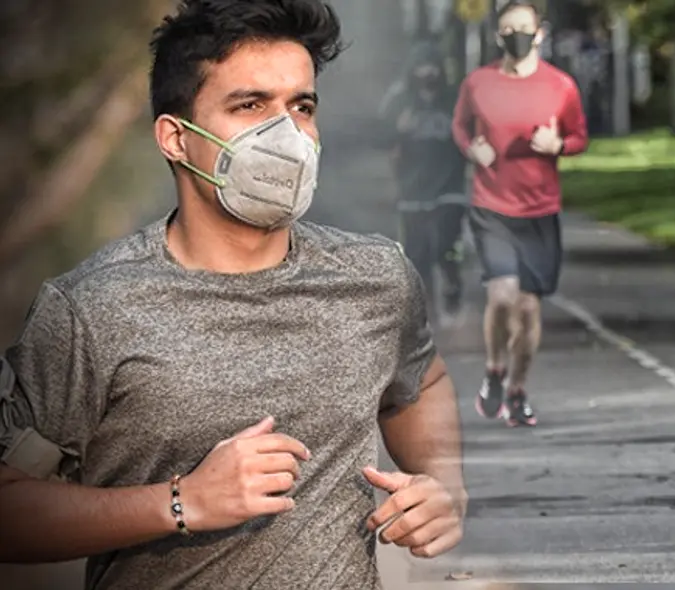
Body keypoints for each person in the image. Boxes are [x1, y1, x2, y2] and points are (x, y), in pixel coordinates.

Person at [0, 1, 467, 588]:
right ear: (175, 138)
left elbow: (421, 381)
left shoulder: (376, 277)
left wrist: (444, 487)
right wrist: (181, 502)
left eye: (302, 106)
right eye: (250, 106)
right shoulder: (91, 309)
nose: (287, 134)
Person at [451, 0, 588, 427]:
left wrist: (559, 146)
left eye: (524, 29)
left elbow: (579, 136)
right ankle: (494, 369)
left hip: (540, 210)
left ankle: (517, 388)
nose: (517, 36)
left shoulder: (561, 86)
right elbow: (459, 126)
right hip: (492, 206)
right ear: (498, 36)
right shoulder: (478, 83)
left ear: (539, 33)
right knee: (502, 295)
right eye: (509, 29)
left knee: (528, 308)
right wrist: (471, 148)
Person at [379, 40, 469, 325]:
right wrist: (397, 132)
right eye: (421, 67)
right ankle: (425, 310)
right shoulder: (399, 100)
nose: (427, 73)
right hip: (412, 187)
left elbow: (470, 137)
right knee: (417, 253)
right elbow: (381, 139)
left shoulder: (455, 99)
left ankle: (453, 285)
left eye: (432, 67)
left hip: (450, 186)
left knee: (446, 244)